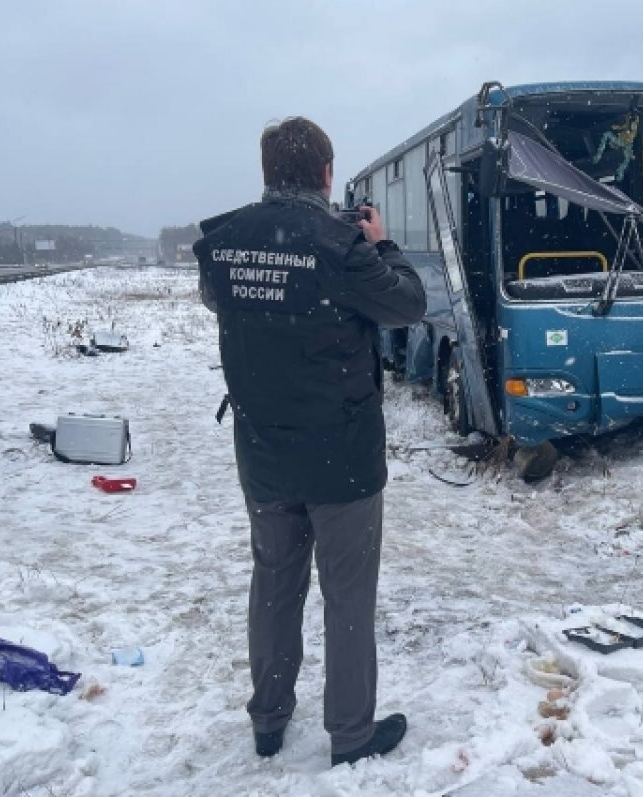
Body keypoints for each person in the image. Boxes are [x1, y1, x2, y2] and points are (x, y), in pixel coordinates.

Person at [193, 117, 426, 768]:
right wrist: (380, 245)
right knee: (346, 593)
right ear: (327, 175)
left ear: (267, 173)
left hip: (263, 452)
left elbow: (224, 301)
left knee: (273, 582)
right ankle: (350, 733)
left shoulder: (225, 242)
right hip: (341, 457)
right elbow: (407, 304)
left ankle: (268, 718)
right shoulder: (341, 245)